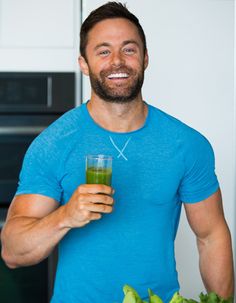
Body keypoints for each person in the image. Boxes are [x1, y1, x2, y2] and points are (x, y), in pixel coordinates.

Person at [1, 2, 234, 302]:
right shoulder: (54, 143)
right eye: (103, 51)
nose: (117, 61)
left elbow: (211, 237)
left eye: (129, 49)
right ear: (83, 63)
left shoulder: (186, 144)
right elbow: (12, 252)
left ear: (145, 58)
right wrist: (66, 215)